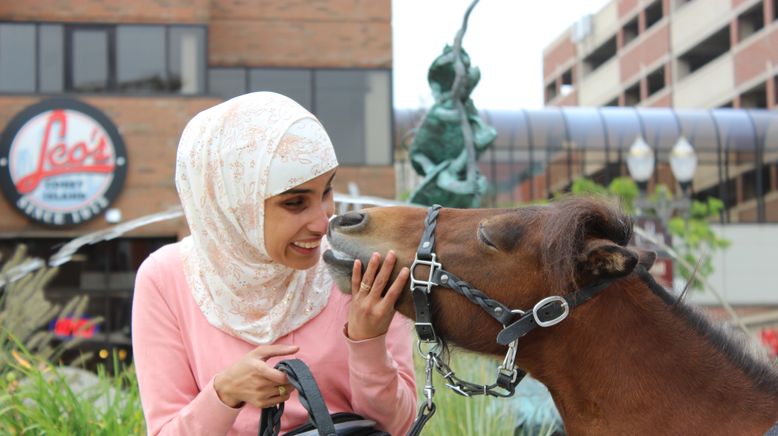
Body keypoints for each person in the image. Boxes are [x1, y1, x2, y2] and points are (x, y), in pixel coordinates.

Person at [131, 92, 417, 435]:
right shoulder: (166, 279)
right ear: (236, 206)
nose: (324, 222)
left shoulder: (355, 266)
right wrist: (225, 393)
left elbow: (400, 426)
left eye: (326, 192)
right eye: (295, 203)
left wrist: (368, 343)